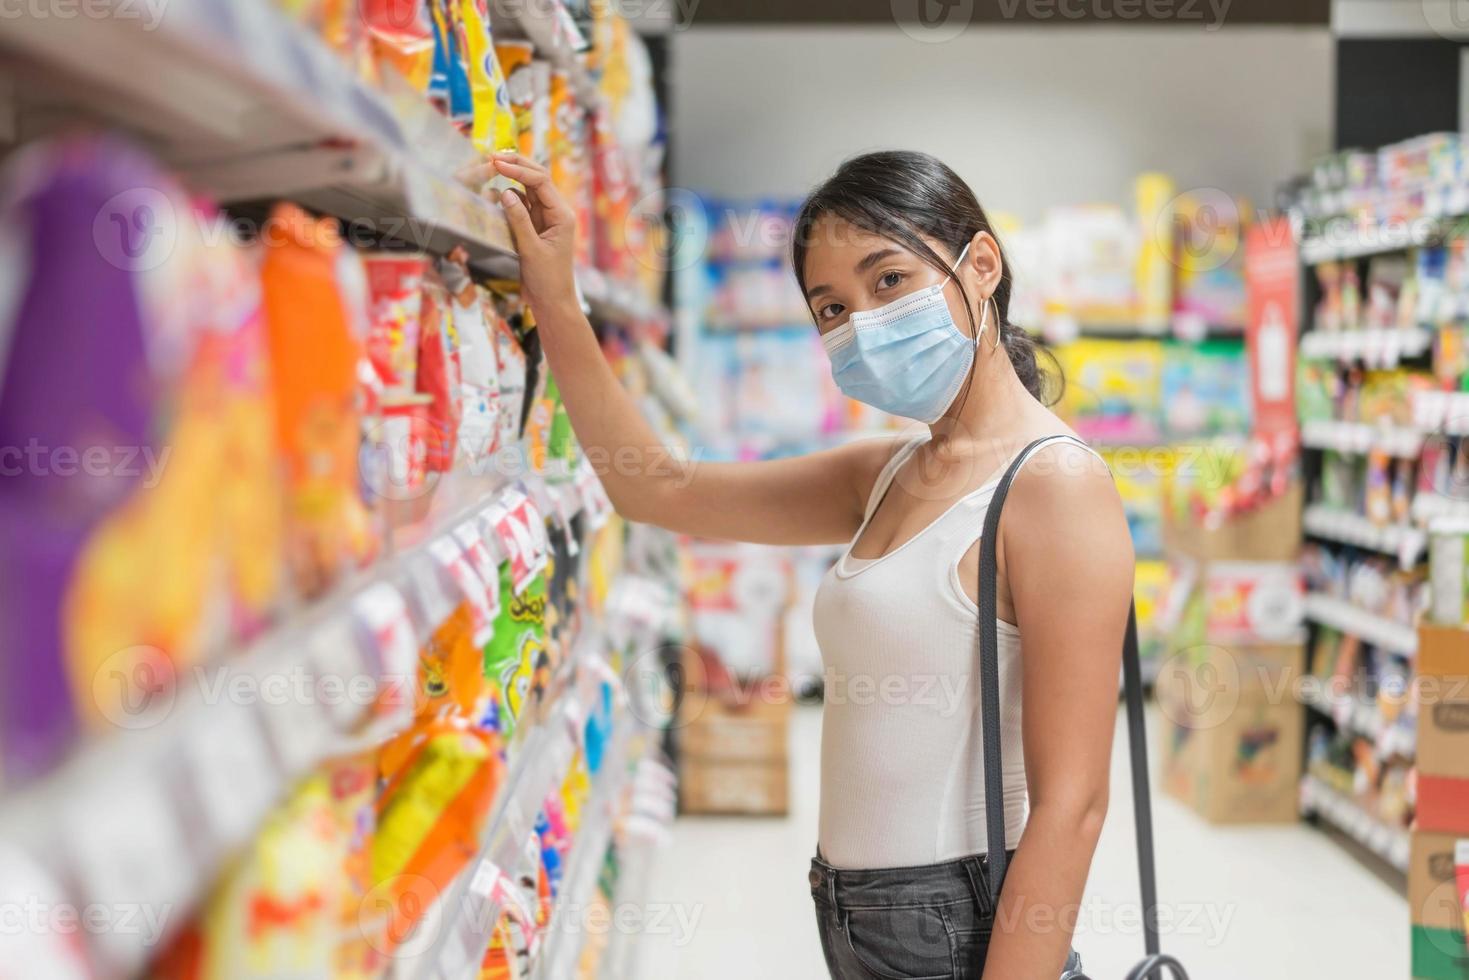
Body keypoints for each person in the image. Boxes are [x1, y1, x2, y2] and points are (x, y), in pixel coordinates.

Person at [491, 147, 1134, 980]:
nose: (861, 323)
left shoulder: (1053, 485)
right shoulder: (887, 473)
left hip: (963, 928)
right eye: (831, 307)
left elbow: (1071, 806)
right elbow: (657, 491)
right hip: (859, 915)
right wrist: (555, 297)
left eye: (889, 281)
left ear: (980, 266)